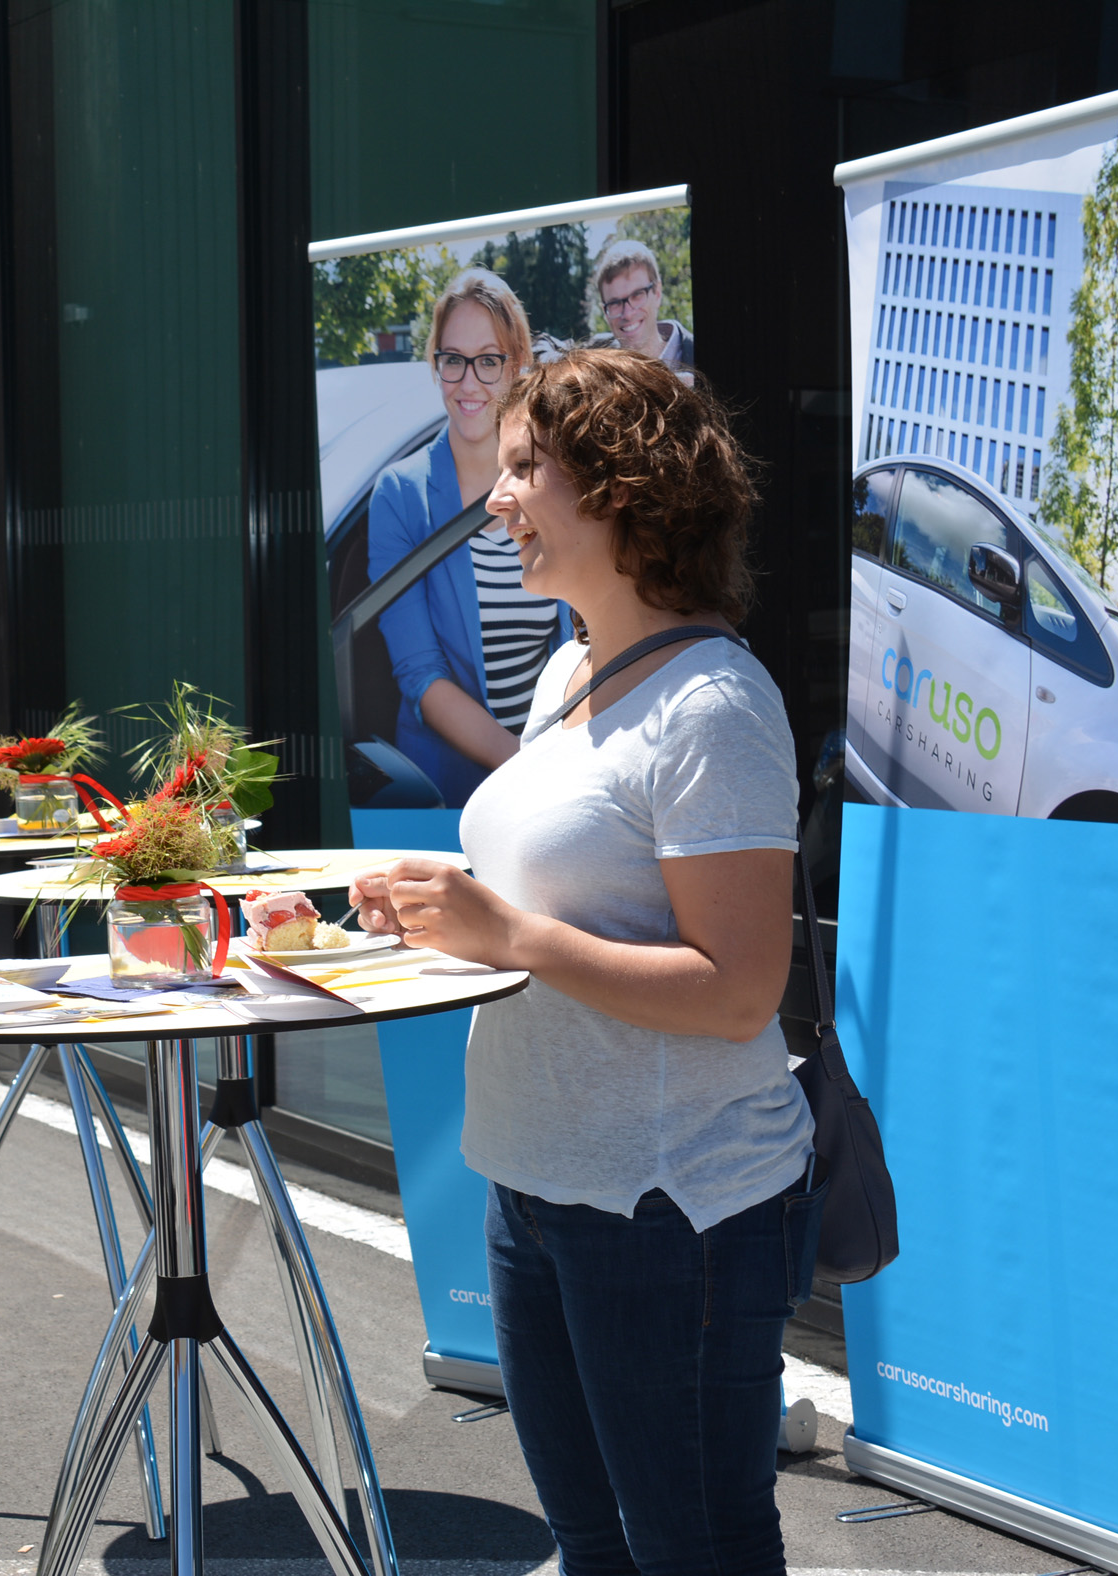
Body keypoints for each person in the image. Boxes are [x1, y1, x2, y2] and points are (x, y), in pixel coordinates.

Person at [353, 348, 822, 1576]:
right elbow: (553, 896)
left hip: (670, 1210)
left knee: (694, 1550)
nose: (495, 499)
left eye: (524, 469)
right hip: (535, 1184)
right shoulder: (570, 671)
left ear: (620, 487)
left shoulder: (714, 706)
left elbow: (738, 992)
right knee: (592, 1550)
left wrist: (508, 935)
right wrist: (427, 912)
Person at [366, 268, 571, 806]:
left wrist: (569, 760)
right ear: (436, 365)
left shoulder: (555, 479)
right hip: (448, 793)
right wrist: (526, 765)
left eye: (488, 360)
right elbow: (420, 674)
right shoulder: (400, 495)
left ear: (517, 365)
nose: (469, 382)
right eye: (453, 360)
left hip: (559, 776)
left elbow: (583, 637)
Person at [590, 237, 695, 375]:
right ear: (605, 312)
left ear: (657, 293)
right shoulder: (596, 370)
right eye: (615, 303)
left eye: (637, 295)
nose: (627, 314)